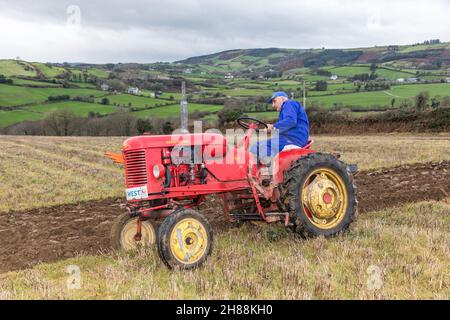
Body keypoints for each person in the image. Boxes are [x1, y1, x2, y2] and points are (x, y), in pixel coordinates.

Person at [250, 91, 309, 161]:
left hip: (293, 139)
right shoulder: (287, 109)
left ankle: (269, 169)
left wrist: (273, 126)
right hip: (290, 139)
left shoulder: (288, 103)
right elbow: (287, 125)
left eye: (274, 101)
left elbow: (291, 121)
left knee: (260, 147)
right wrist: (272, 129)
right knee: (257, 145)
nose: (273, 105)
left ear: (283, 99)